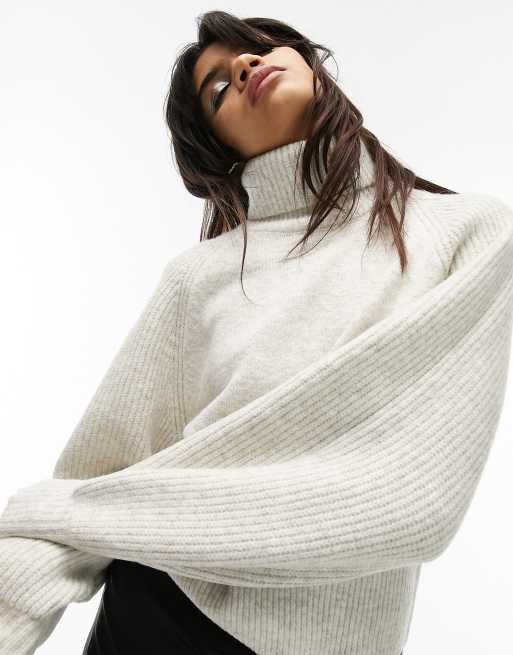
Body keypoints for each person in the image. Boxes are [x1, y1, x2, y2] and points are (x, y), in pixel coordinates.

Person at [1, 9, 511, 655]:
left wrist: (73, 512)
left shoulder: (466, 233)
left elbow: (409, 504)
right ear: (218, 147)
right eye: (217, 90)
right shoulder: (198, 278)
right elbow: (95, 476)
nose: (245, 65)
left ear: (309, 62)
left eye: (258, 46)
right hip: (154, 610)